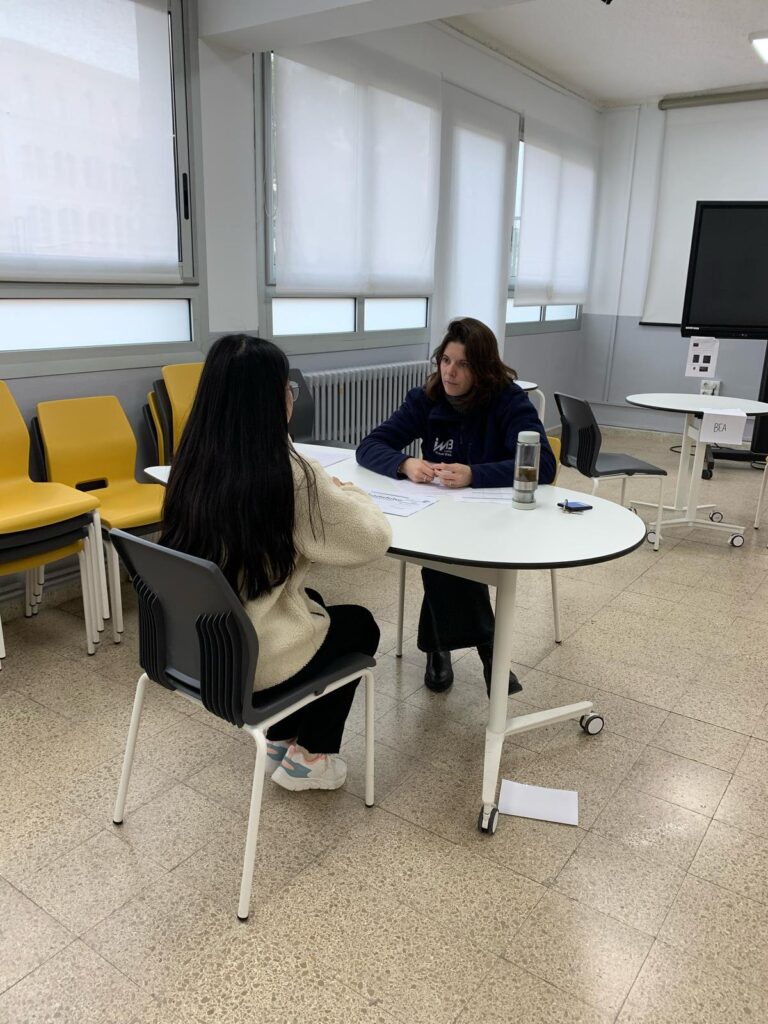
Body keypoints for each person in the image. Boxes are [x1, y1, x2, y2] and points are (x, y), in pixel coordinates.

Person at [161, 334, 391, 792]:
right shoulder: (290, 473)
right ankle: (310, 759)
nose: (291, 396)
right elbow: (371, 540)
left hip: (196, 652)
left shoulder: (190, 463)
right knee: (360, 626)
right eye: (288, 387)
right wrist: (352, 494)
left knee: (311, 599)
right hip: (251, 664)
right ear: (272, 400)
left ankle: (281, 738)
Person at [356, 316, 555, 695]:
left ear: (483, 369)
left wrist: (475, 474)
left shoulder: (508, 400)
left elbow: (542, 465)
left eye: (462, 364)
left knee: (444, 559)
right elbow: (370, 446)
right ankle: (489, 652)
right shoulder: (426, 399)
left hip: (498, 519)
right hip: (440, 516)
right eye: (446, 360)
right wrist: (404, 463)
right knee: (443, 552)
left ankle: (441, 648)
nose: (450, 372)